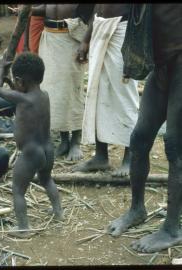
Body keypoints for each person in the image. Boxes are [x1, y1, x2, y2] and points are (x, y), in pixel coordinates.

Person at [108, 4, 182, 253]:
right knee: (139, 139)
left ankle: (171, 229)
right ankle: (137, 209)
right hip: (162, 65)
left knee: (175, 147)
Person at [0, 52, 64, 238]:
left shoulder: (23, 99)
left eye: (16, 82)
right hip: (48, 149)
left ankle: (23, 228)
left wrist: (0, 68)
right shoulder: (44, 96)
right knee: (47, 179)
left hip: (30, 153)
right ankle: (58, 212)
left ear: (21, 81)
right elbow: (18, 92)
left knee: (18, 190)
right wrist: (12, 83)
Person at [74, 4, 139, 176]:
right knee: (97, 93)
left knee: (125, 95)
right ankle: (101, 156)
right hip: (99, 28)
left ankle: (129, 158)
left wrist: (135, 47)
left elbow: (143, 13)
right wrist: (86, 39)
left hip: (124, 31)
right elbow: (97, 7)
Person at [31, 4, 88, 161]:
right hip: (49, 37)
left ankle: (76, 141)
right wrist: (31, 10)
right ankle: (64, 140)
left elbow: (91, 13)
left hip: (71, 37)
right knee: (54, 92)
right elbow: (48, 7)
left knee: (72, 91)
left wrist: (86, 42)